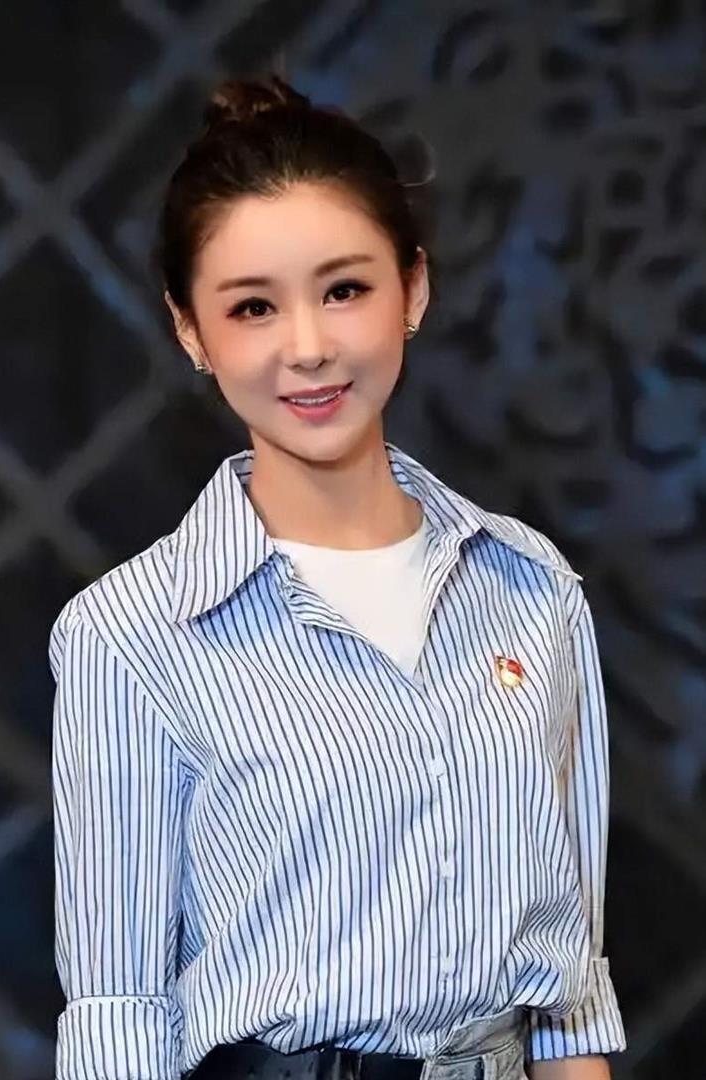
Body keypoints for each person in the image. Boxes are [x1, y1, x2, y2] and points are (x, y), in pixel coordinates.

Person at [48, 74, 626, 1080]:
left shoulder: (532, 590)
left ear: (414, 289)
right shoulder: (131, 634)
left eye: (344, 290)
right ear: (191, 332)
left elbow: (569, 991)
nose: (308, 348)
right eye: (252, 307)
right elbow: (117, 1016)